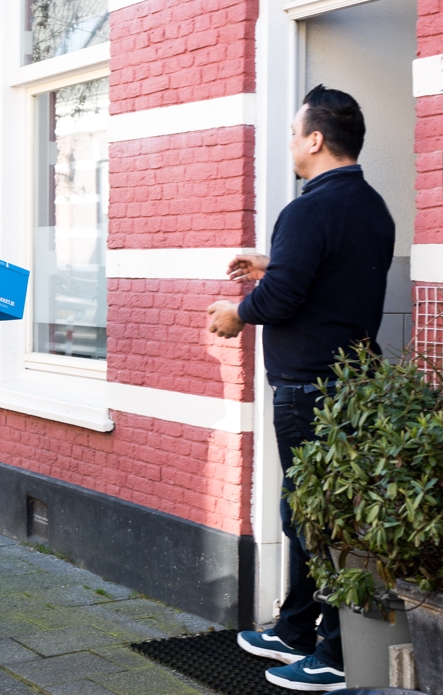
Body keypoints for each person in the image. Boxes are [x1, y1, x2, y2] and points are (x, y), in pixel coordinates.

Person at [207, 84, 395, 692]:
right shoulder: (372, 207)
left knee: (315, 519)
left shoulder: (308, 208)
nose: (290, 144)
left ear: (315, 140)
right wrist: (273, 263)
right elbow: (327, 277)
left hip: (308, 387)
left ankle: (337, 655)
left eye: (293, 133)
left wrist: (237, 311)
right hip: (353, 381)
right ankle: (294, 629)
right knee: (313, 513)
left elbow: (286, 298)